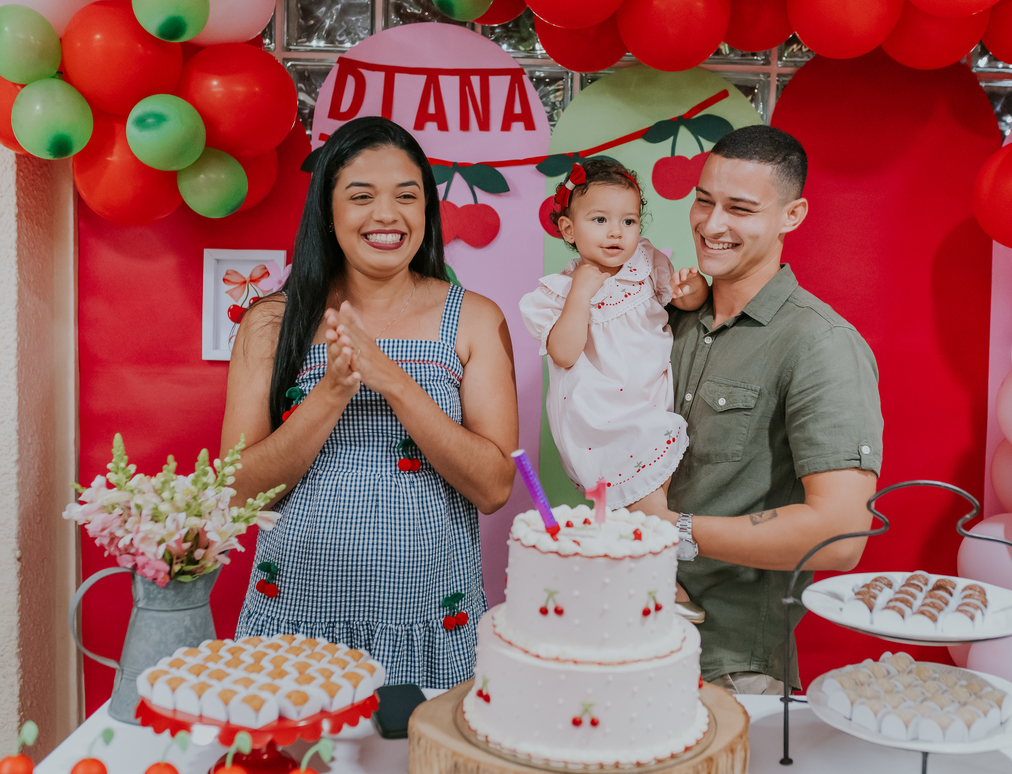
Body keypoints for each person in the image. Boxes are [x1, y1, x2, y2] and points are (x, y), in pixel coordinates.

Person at [221, 116, 519, 688]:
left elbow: (493, 487)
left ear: (426, 212)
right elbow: (235, 492)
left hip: (431, 630)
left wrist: (397, 384)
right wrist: (331, 393)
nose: (387, 215)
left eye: (407, 196)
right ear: (328, 215)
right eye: (361, 197)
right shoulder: (271, 323)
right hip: (291, 629)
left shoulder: (475, 318)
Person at [634, 125, 884, 695]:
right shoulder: (666, 319)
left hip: (730, 665)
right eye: (704, 200)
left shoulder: (819, 343)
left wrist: (674, 531)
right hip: (626, 634)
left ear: (791, 217)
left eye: (740, 209)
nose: (711, 224)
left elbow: (842, 534)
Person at [518, 158, 708, 516]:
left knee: (650, 511)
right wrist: (580, 294)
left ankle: (656, 564)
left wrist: (693, 288)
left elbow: (685, 302)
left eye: (628, 221)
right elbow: (564, 353)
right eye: (600, 220)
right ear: (569, 229)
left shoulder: (646, 265)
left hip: (650, 406)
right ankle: (659, 568)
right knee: (647, 517)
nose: (616, 232)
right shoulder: (556, 294)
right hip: (601, 421)